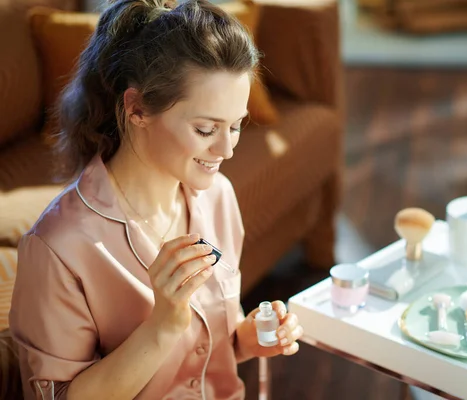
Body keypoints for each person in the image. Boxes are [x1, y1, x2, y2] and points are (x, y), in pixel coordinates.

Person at [8, 0, 304, 398]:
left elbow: (213, 342)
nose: (227, 150)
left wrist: (248, 338)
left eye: (235, 126)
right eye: (205, 129)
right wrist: (163, 325)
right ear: (137, 108)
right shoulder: (58, 247)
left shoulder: (218, 197)